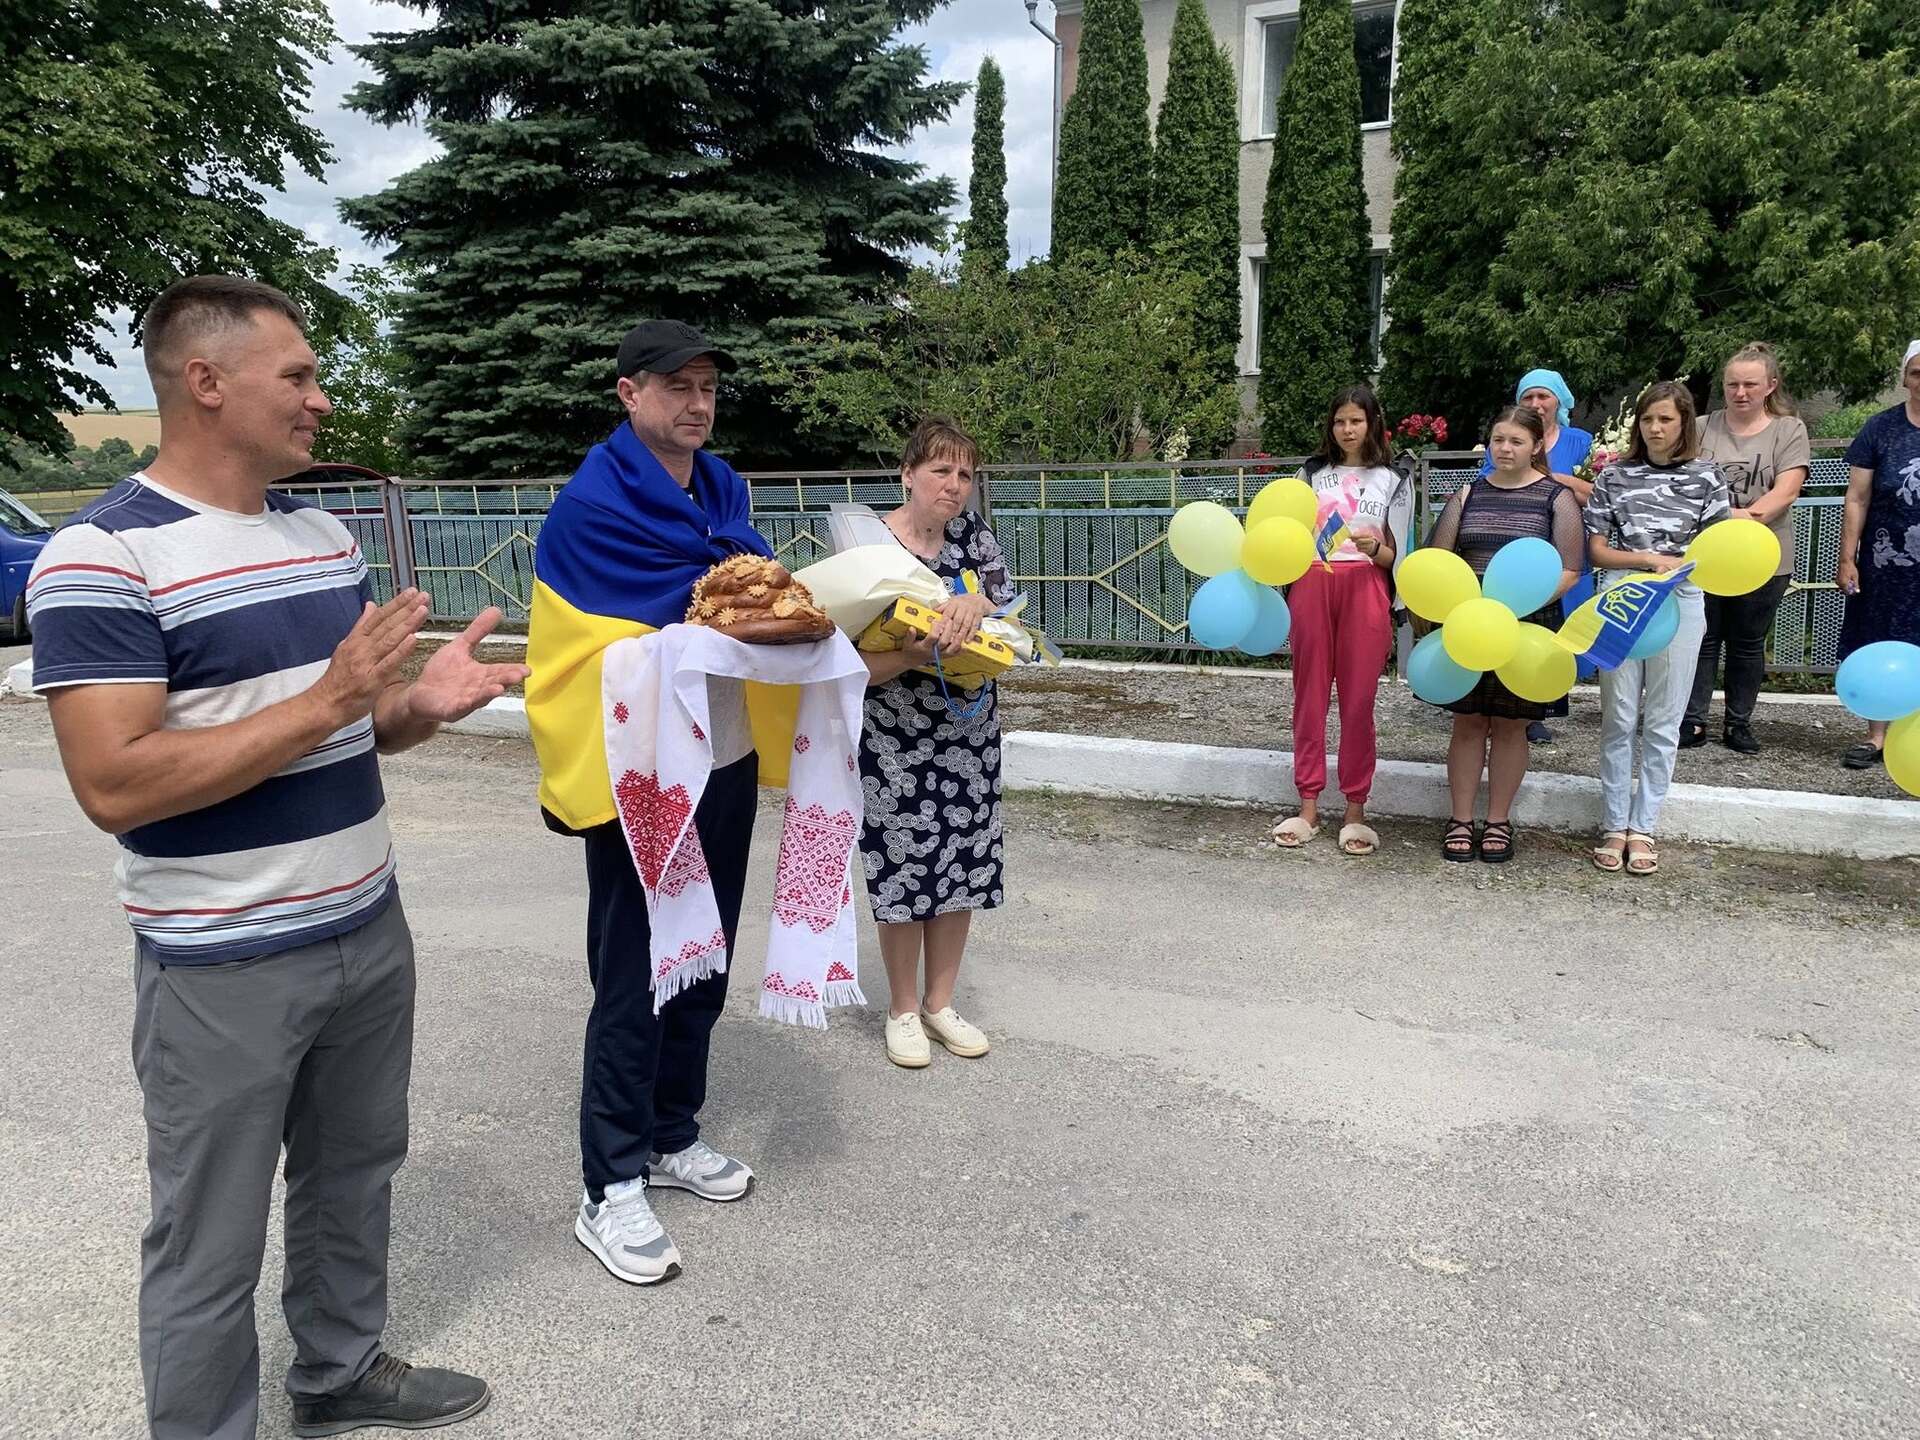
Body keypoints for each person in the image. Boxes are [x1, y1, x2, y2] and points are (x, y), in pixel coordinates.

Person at [26, 276, 523, 1439]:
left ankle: (338, 1373)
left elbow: (353, 725)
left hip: (366, 927)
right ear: (206, 382)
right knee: (207, 1234)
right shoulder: (101, 557)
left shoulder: (320, 535)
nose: (321, 399)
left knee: (356, 1173)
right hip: (221, 962)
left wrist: (414, 708)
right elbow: (116, 784)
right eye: (297, 375)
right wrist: (330, 701)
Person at [526, 320, 783, 1286]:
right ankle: (610, 1182)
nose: (698, 403)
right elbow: (618, 633)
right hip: (644, 769)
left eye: (709, 386)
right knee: (636, 969)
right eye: (678, 385)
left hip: (724, 754)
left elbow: (743, 599)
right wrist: (734, 614)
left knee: (705, 953)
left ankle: (673, 1132)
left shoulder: (723, 490)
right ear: (629, 394)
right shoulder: (592, 507)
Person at [859, 418, 1013, 1069]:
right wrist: (911, 654)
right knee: (902, 866)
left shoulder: (973, 537)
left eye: (965, 474)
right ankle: (901, 1009)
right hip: (892, 733)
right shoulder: (870, 543)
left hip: (968, 729)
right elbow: (844, 657)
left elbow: (1009, 612)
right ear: (908, 474)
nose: (955, 485)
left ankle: (939, 1004)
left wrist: (979, 607)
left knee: (963, 864)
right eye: (941, 470)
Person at [1426, 406, 1587, 864]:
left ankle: (1498, 820)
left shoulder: (1556, 498)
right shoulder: (1467, 496)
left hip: (1527, 628)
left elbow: (1571, 569)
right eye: (1499, 439)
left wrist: (1515, 605)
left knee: (1511, 726)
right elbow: (1440, 560)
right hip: (1470, 626)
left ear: (1536, 446)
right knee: (1468, 722)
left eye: (1516, 441)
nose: (1505, 448)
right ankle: (1460, 819)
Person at [1585, 381, 1730, 875]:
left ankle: (1643, 827)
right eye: (1648, 419)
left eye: (1666, 419)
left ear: (1684, 422)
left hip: (1682, 598)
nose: (1655, 428)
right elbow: (1597, 550)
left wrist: (1676, 568)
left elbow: (1718, 549)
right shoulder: (1614, 476)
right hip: (1623, 597)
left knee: (1665, 719)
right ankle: (1614, 825)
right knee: (1619, 716)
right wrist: (1647, 559)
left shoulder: (1708, 477)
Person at [1272, 385, 1407, 856]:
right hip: (1312, 582)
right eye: (1339, 421)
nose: (1347, 430)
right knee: (1308, 696)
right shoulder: (1310, 475)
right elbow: (1286, 536)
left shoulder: (1393, 479)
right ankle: (1308, 804)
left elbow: (1398, 557)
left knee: (1358, 701)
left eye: (1356, 421)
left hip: (1365, 586)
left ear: (1373, 423)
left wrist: (1377, 549)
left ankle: (1355, 810)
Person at [1681, 343, 1811, 754]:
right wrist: (1726, 520)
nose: (1740, 393)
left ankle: (1738, 723)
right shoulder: (1701, 427)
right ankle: (1693, 720)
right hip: (1707, 556)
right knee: (1702, 638)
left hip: (1765, 557)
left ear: (1770, 385)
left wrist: (1731, 518)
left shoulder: (1789, 430)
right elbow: (1683, 484)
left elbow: (1785, 492)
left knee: (1748, 642)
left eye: (1750, 385)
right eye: (1732, 384)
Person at [1479, 368, 1597, 743]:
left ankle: (1542, 702)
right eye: (1528, 397)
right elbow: (1490, 484)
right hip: (1519, 549)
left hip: (1565, 547)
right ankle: (1515, 706)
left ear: (1559, 401)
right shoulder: (1505, 442)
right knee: (1521, 626)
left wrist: (1555, 481)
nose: (1536, 404)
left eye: (1543, 396)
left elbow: (1599, 495)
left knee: (1559, 630)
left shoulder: (1582, 442)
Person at [1835, 340, 1920, 770]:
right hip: (1886, 566)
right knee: (1879, 642)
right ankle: (1877, 737)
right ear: (1905, 378)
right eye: (1917, 372)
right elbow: (1857, 497)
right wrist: (1847, 558)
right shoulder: (1880, 428)